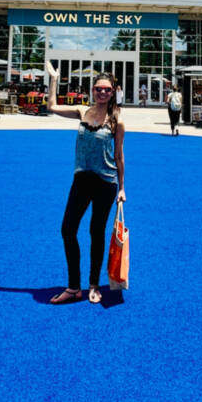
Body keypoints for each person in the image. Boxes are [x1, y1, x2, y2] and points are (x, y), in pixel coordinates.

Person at [45, 61, 126, 305]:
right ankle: (73, 287)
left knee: (96, 232)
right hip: (81, 179)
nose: (102, 93)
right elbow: (51, 107)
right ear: (92, 90)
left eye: (107, 90)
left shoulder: (116, 120)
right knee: (67, 229)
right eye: (98, 89)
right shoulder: (82, 112)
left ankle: (93, 285)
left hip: (105, 182)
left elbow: (119, 156)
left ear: (114, 92)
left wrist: (122, 188)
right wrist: (53, 79)